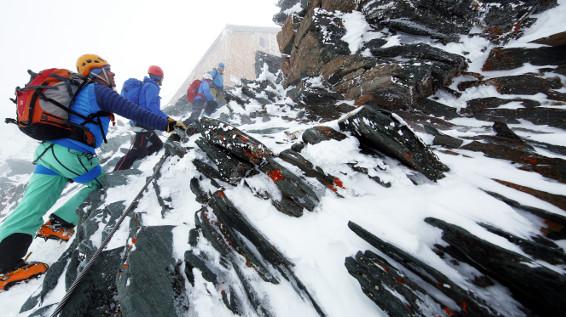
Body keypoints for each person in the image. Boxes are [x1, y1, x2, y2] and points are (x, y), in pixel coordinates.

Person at [0, 54, 186, 290]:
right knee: (102, 186)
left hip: (49, 152)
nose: (114, 73)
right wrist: (172, 125)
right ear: (97, 72)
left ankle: (4, 266)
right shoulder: (97, 91)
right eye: (108, 69)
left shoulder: (75, 93)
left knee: (30, 207)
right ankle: (61, 223)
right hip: (73, 153)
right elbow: (136, 112)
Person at [114, 65, 165, 171]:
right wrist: (168, 121)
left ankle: (145, 161)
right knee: (138, 150)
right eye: (161, 78)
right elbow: (151, 106)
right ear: (159, 76)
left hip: (143, 122)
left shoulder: (146, 85)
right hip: (143, 123)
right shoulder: (151, 86)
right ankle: (117, 172)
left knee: (158, 144)